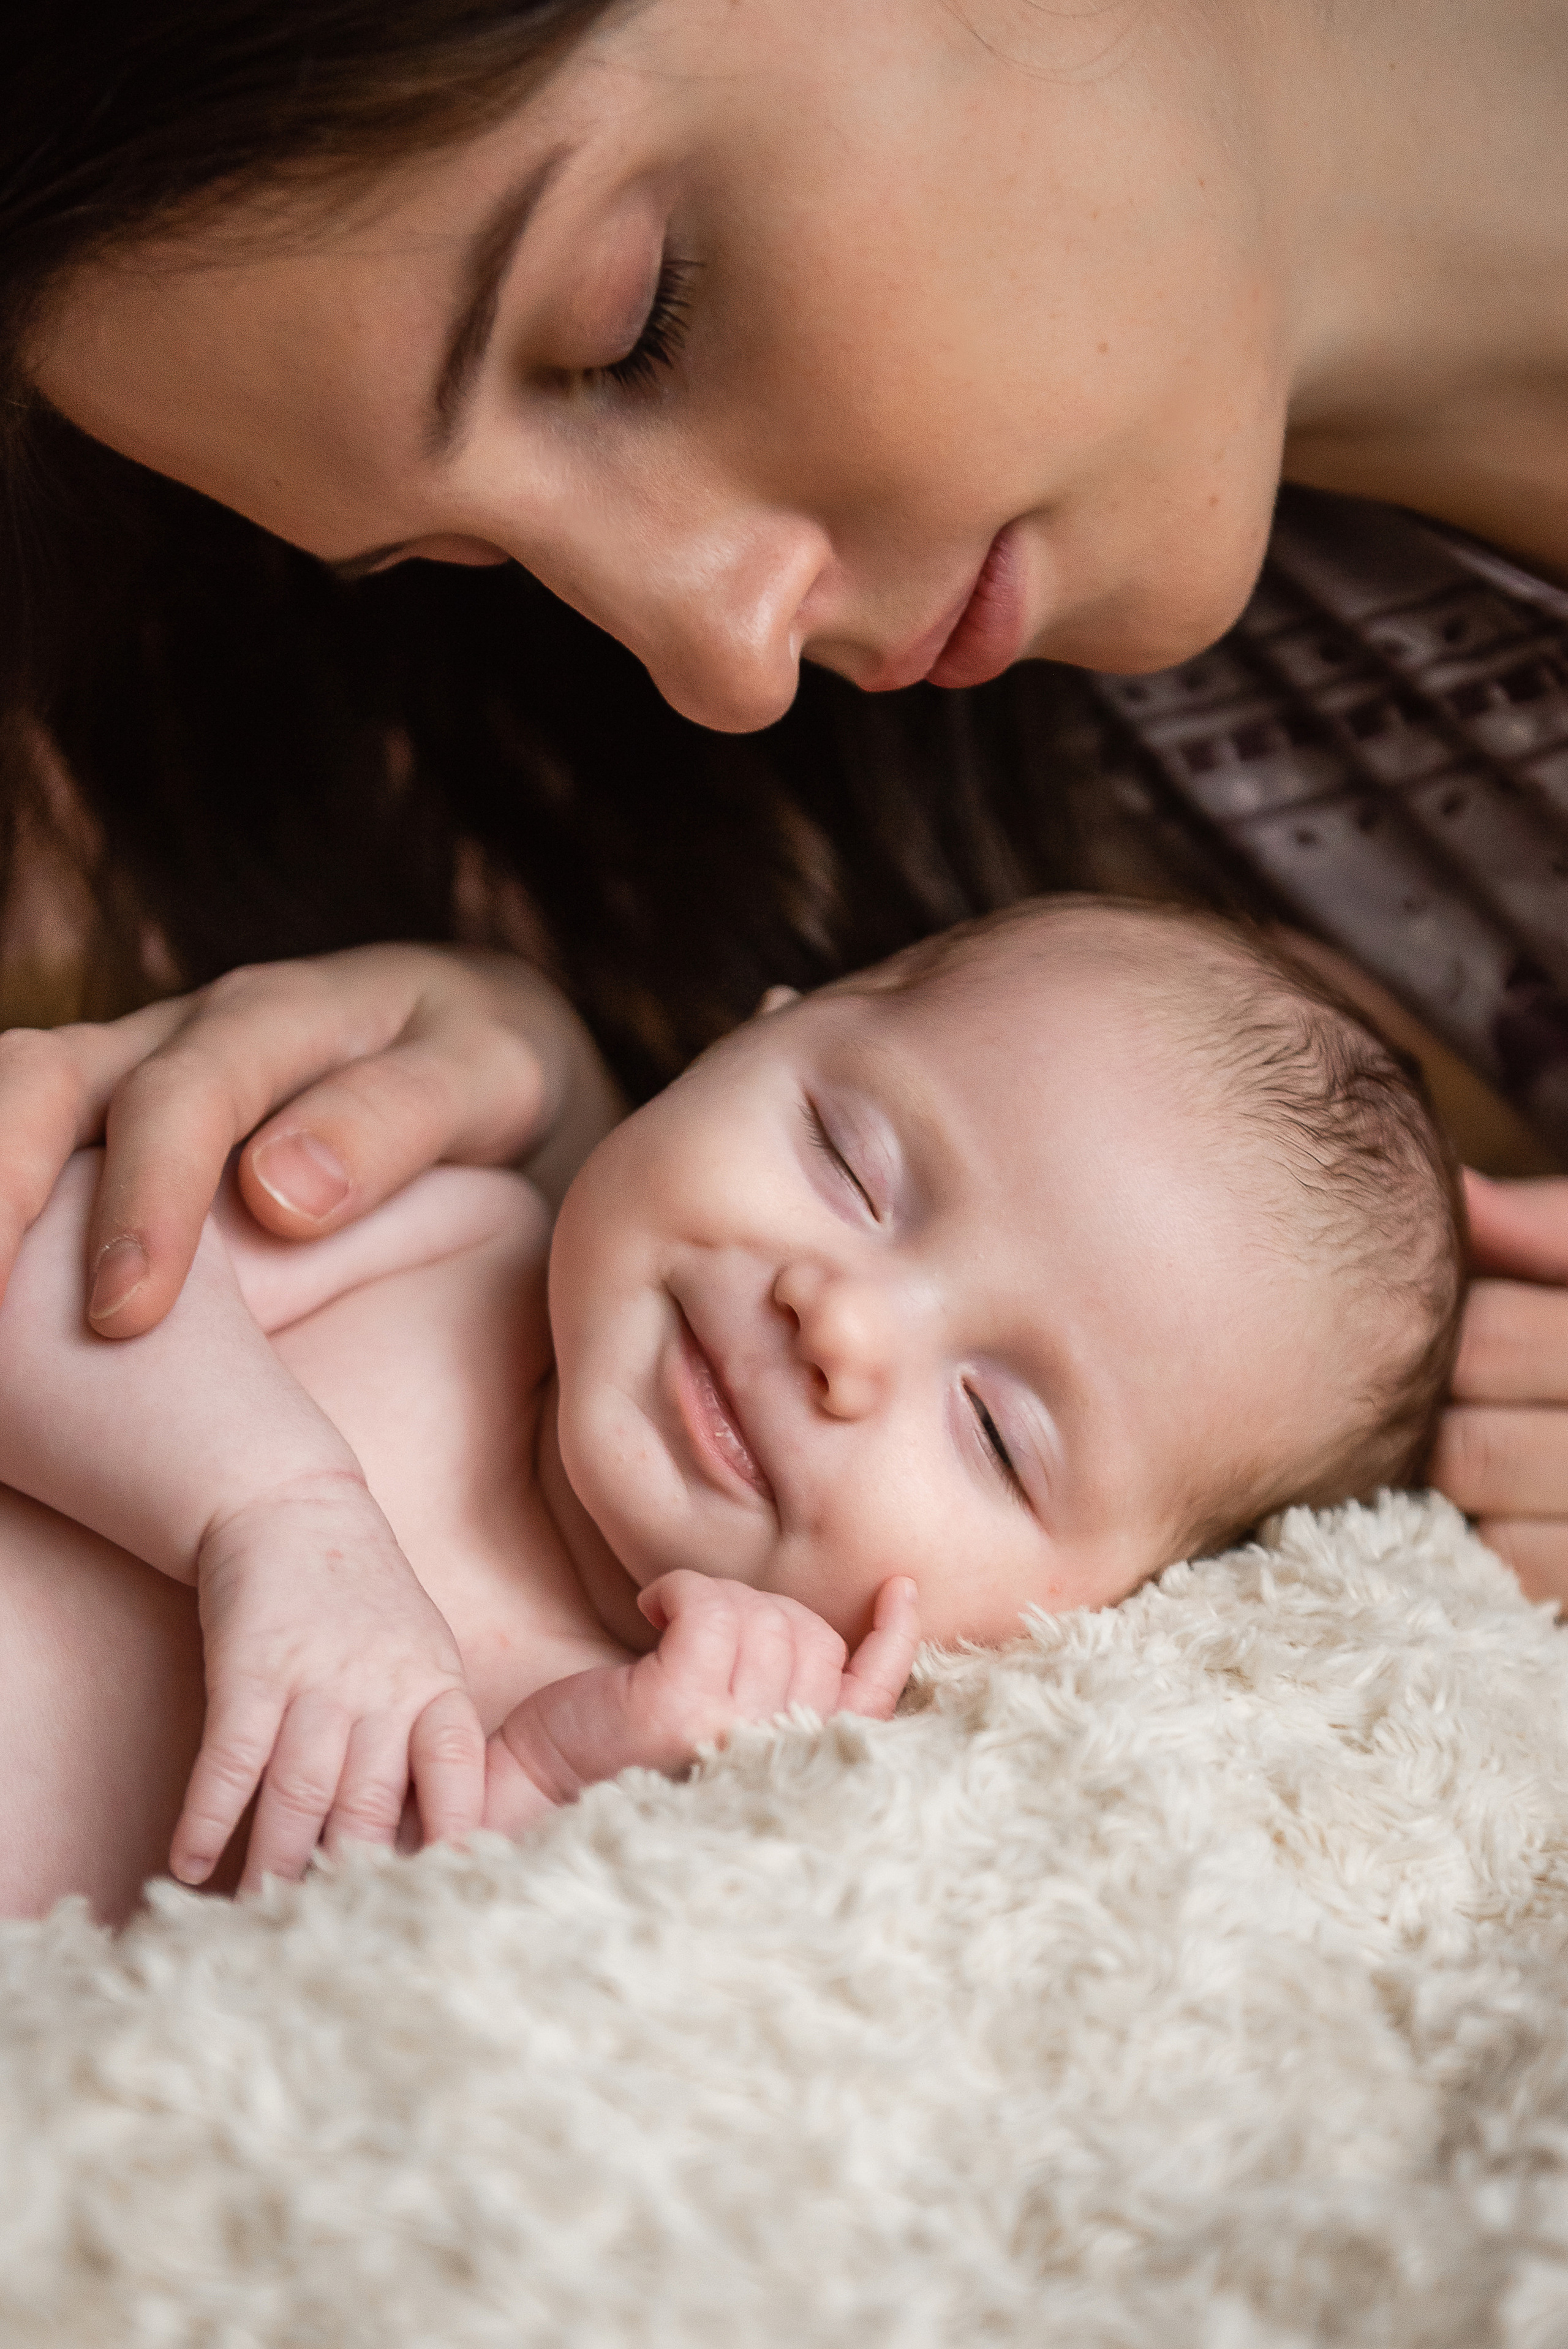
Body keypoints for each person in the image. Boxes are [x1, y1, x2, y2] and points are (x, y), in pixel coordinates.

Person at [0, 0, 1565, 1594]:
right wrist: (552, 1119)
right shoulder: (969, 744)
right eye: (473, 559)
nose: (729, 661)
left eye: (634, 324)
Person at [0, 899, 1463, 1926]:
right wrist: (275, 1510)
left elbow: (322, 1970)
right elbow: (54, 1257)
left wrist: (547, 1770)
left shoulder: (704, 1768)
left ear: (1088, 1617)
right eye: (849, 1161)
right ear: (744, 1037)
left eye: (994, 1432)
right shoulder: (454, 1237)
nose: (840, 1323)